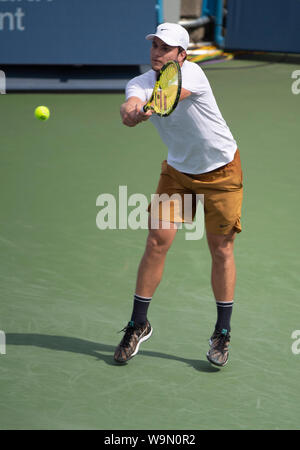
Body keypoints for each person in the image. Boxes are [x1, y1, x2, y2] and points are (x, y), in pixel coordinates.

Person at [114, 23, 243, 367]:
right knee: (157, 241)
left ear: (181, 55)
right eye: (155, 46)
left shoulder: (194, 75)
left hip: (221, 170)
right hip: (178, 172)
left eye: (166, 48)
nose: (157, 53)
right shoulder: (140, 81)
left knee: (221, 249)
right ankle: (138, 323)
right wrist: (130, 111)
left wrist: (147, 110)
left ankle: (222, 332)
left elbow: (169, 96)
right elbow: (131, 104)